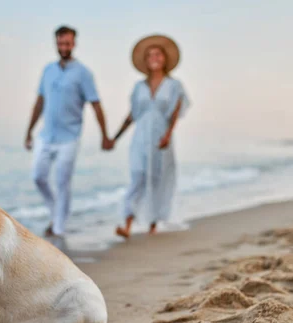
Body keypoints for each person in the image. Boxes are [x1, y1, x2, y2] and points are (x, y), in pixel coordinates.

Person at [25, 25, 113, 238]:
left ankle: (58, 228)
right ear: (56, 43)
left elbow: (96, 104)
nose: (64, 46)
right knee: (38, 176)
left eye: (67, 43)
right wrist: (29, 131)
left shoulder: (83, 73)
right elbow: (39, 101)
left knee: (63, 182)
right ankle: (57, 212)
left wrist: (105, 135)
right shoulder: (48, 70)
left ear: (74, 44)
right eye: (60, 43)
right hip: (46, 136)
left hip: (69, 138)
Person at [111, 34, 190, 238]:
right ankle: (127, 223)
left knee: (158, 178)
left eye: (158, 54)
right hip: (140, 138)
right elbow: (132, 115)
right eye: (150, 55)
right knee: (137, 176)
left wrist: (168, 135)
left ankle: (153, 224)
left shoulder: (174, 86)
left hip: (161, 138)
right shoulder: (139, 88)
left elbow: (175, 113)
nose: (154, 57)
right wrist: (115, 137)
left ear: (164, 58)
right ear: (145, 61)